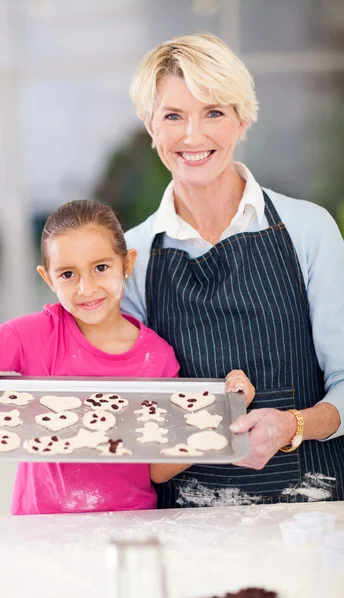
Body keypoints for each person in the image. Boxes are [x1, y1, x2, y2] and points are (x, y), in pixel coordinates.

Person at [121, 32, 344, 506]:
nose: (193, 136)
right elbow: (127, 402)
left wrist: (293, 424)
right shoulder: (131, 256)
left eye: (214, 113)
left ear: (242, 119)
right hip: (186, 519)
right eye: (173, 116)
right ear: (150, 125)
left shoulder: (308, 230)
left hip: (313, 510)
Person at [0, 199, 255, 514]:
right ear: (48, 278)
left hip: (128, 527)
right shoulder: (35, 336)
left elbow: (156, 469)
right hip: (40, 530)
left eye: (101, 267)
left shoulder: (158, 357)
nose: (86, 287)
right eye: (67, 274)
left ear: (127, 264)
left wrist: (225, 418)